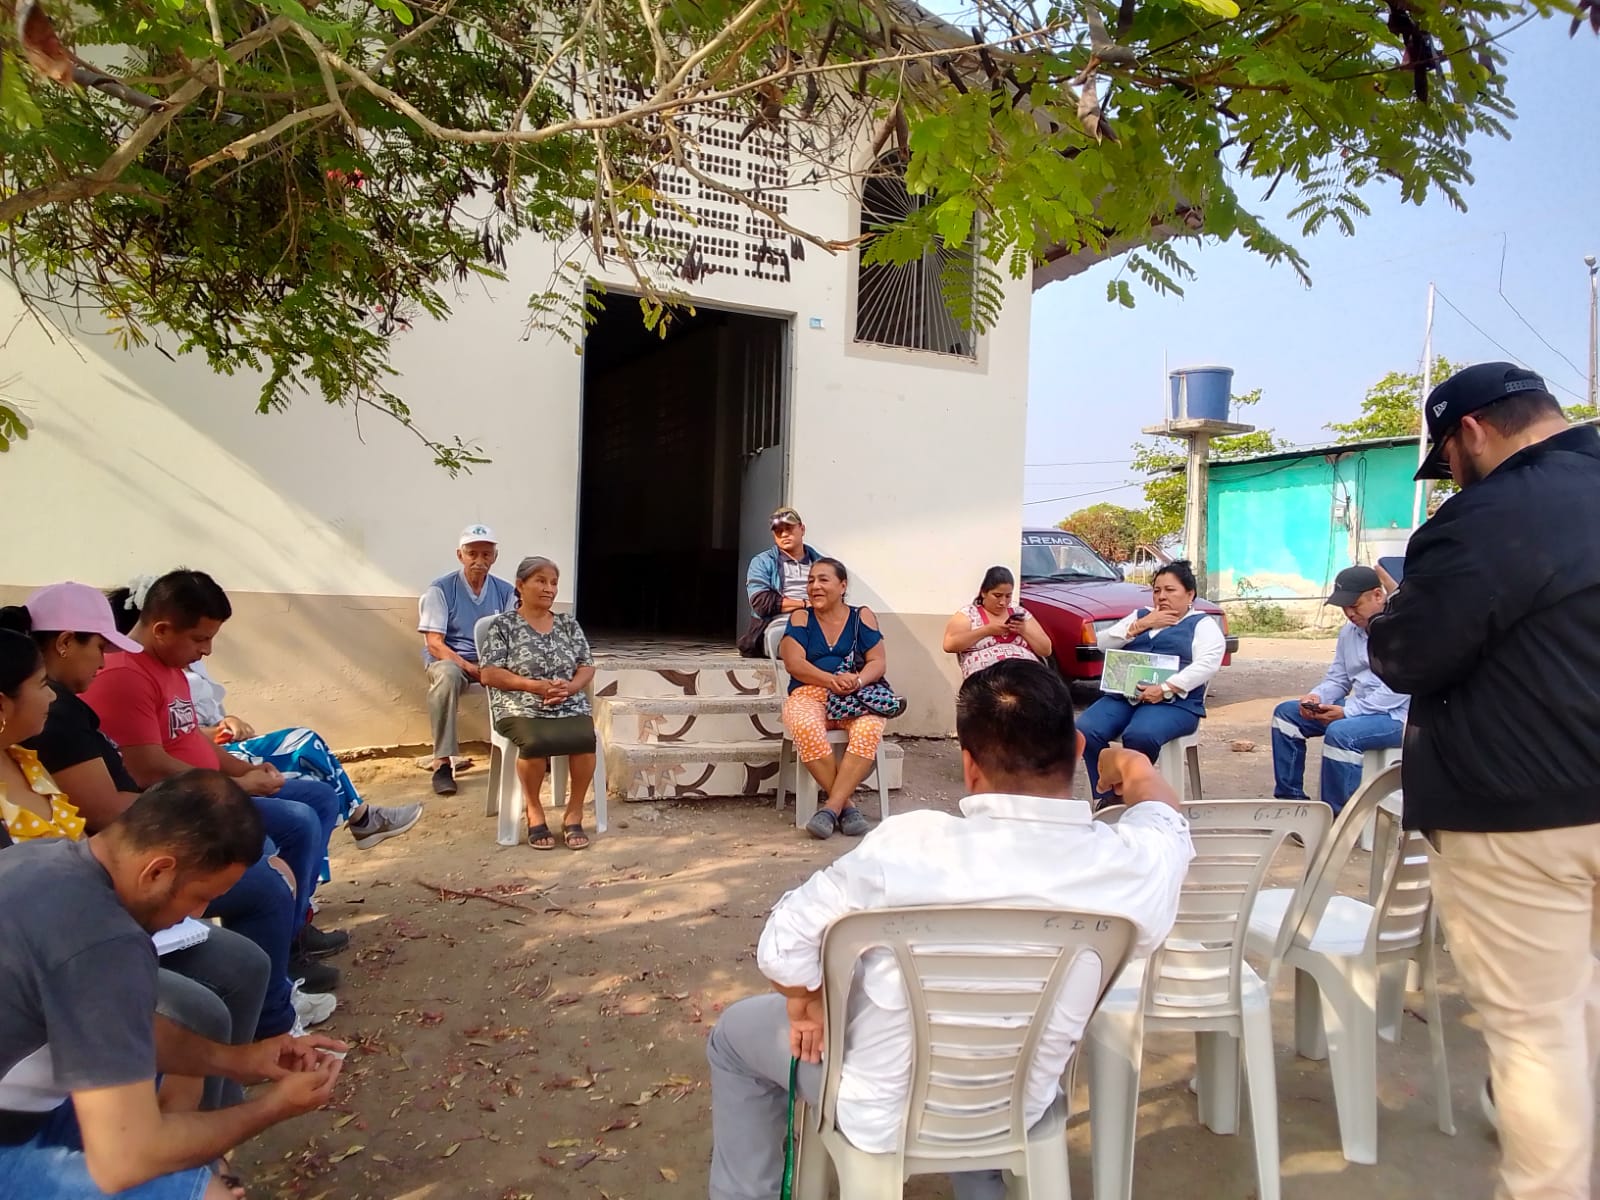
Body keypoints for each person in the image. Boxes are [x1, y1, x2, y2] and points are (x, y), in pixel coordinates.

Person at [705, 659, 1193, 1200]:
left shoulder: (909, 846)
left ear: (969, 765)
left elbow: (783, 948)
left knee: (734, 1037)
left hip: (880, 1108)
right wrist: (1131, 764)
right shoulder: (1129, 863)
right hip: (1018, 1104)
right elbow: (1165, 817)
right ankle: (982, 1180)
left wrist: (804, 1000)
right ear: (1077, 748)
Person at [1366, 362, 1600, 1200]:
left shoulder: (1488, 517)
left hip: (1520, 817)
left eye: (1448, 461)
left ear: (1469, 431)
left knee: (1537, 1033)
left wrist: (1392, 612)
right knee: (1580, 1000)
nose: (1452, 479)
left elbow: (1407, 655)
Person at [0, 770, 346, 1200]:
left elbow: (123, 1024)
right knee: (208, 1194)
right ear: (158, 871)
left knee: (184, 1081)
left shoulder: (40, 858)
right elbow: (124, 1161)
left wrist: (240, 1060)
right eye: (201, 896)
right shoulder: (107, 944)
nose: (197, 913)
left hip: (21, 1109)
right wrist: (273, 1106)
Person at [6, 586, 334, 1037]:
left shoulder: (28, 750)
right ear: (65, 643)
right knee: (264, 879)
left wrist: (237, 778)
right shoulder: (68, 713)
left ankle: (280, 976)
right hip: (101, 891)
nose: (103, 662)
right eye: (98, 647)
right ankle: (274, 1019)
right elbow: (109, 809)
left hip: (115, 867)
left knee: (295, 825)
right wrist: (213, 806)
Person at [0, 618, 276, 1113]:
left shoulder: (24, 758)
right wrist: (272, 1110)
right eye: (40, 686)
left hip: (96, 909)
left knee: (243, 963)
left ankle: (211, 1121)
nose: (50, 697)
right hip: (63, 951)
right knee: (199, 1011)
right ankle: (189, 1141)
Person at [83, 571, 347, 992]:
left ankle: (292, 931)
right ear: (161, 629)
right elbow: (148, 768)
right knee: (290, 825)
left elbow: (194, 741)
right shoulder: (124, 675)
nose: (206, 650)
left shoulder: (170, 666)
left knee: (317, 797)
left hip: (208, 790)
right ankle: (274, 966)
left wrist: (244, 770)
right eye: (200, 639)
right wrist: (239, 787)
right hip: (178, 809)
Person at [183, 658, 422, 852]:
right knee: (304, 744)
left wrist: (230, 720)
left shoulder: (192, 662)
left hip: (224, 744)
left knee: (316, 782)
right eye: (200, 638)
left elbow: (211, 714)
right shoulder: (163, 675)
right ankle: (362, 819)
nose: (207, 649)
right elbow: (178, 736)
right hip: (206, 754)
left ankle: (353, 829)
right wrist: (219, 733)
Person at [477, 556, 598, 851]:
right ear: (520, 585)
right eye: (541, 581)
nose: (549, 589)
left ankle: (574, 812)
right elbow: (489, 673)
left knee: (584, 739)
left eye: (554, 583)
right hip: (519, 705)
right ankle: (534, 810)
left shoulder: (567, 624)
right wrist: (534, 686)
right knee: (533, 742)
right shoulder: (504, 625)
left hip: (567, 702)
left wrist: (570, 688)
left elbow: (586, 665)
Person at [1076, 560, 1223, 800]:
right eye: (1157, 590)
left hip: (1174, 703)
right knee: (1085, 730)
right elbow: (1102, 643)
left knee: (1140, 735)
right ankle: (1108, 797)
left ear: (1190, 594)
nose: (1162, 596)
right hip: (1125, 696)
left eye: (1170, 590)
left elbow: (1207, 664)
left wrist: (1165, 688)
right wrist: (1141, 625)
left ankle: (1134, 796)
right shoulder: (1142, 615)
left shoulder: (1202, 625)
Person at [1268, 566, 1409, 815]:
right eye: (1344, 608)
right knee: (1286, 715)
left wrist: (1347, 712)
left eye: (1355, 605)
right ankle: (1292, 802)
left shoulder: (1404, 631)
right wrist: (1317, 697)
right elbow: (1339, 678)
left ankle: (1339, 818)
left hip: (1398, 717)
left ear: (1378, 595)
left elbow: (1397, 689)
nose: (1349, 613)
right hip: (1362, 708)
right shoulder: (1349, 632)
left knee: (1341, 733)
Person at [779, 558, 889, 841]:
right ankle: (844, 807)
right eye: (811, 580)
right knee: (805, 725)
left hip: (854, 696)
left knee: (870, 727)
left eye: (823, 580)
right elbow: (794, 663)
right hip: (809, 694)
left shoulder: (861, 616)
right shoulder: (801, 618)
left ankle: (829, 809)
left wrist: (858, 680)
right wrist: (830, 681)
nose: (814, 586)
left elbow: (878, 661)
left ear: (842, 586)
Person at [418, 524, 517, 796]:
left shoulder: (505, 591)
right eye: (472, 553)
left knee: (530, 670)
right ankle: (442, 762)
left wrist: (495, 667)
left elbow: (513, 636)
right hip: (452, 660)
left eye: (486, 554)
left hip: (491, 661)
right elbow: (434, 644)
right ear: (460, 555)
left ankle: (531, 750)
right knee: (447, 676)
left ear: (495, 557)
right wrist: (471, 668)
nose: (479, 560)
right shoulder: (440, 589)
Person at [740, 507, 825, 659]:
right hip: (780, 624)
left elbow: (836, 598)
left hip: (820, 623)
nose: (784, 534)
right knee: (792, 638)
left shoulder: (823, 564)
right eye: (778, 531)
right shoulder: (762, 562)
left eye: (789, 528)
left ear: (802, 529)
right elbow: (761, 603)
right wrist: (805, 604)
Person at [942, 565, 1053, 679]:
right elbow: (950, 645)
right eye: (997, 596)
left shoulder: (1021, 613)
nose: (1003, 602)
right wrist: (986, 630)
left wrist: (1024, 631)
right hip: (988, 680)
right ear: (984, 593)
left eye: (1008, 596)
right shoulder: (969, 614)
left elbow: (1046, 650)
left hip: (1026, 675)